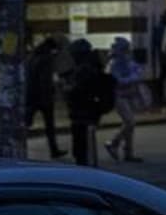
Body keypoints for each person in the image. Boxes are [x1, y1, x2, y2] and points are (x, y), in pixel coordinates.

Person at [65, 39, 115, 167]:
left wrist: (68, 89)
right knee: (83, 147)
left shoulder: (85, 69)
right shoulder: (89, 67)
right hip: (86, 113)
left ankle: (87, 170)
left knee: (83, 148)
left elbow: (79, 91)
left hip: (84, 114)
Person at [104, 36, 145, 163]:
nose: (128, 51)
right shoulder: (113, 64)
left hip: (128, 95)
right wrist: (132, 78)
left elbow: (137, 70)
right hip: (119, 96)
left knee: (130, 125)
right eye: (125, 49)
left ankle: (128, 152)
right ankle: (113, 143)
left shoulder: (126, 61)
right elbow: (118, 80)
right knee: (130, 122)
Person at [26, 36, 64, 158]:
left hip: (31, 95)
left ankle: (19, 146)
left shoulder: (32, 56)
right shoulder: (47, 59)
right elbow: (45, 80)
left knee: (26, 123)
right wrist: (52, 92)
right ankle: (54, 150)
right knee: (49, 126)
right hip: (44, 97)